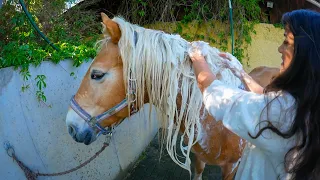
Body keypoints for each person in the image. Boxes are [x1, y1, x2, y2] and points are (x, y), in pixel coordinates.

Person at [188, 9, 320, 180]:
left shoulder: (284, 114)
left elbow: (215, 95)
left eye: (286, 42)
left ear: (305, 53)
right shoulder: (307, 103)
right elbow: (267, 101)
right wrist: (242, 73)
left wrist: (197, 56)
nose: (280, 48)